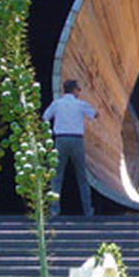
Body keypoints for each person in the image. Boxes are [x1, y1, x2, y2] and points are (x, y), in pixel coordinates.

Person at [42, 79, 97, 216]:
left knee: (57, 176)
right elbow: (95, 114)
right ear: (74, 90)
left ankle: (54, 210)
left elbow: (45, 117)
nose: (79, 92)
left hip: (60, 139)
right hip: (77, 140)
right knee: (82, 177)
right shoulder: (80, 104)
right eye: (78, 89)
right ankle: (88, 210)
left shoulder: (57, 104)